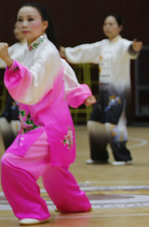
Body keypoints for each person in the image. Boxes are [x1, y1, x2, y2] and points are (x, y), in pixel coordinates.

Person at [0, 3, 94, 226]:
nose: (24, 24)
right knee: (53, 169)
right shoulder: (28, 50)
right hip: (41, 125)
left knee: (11, 163)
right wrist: (80, 94)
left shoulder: (46, 52)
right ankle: (74, 204)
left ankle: (33, 211)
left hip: (47, 127)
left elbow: (34, 85)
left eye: (31, 19)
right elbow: (63, 72)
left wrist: (11, 64)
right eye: (20, 19)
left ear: (45, 24)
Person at [60, 14, 142, 165]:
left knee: (114, 124)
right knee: (94, 123)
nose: (108, 27)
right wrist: (67, 52)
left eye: (111, 24)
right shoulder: (102, 45)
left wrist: (134, 49)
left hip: (118, 92)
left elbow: (131, 51)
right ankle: (99, 156)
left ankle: (123, 157)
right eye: (105, 24)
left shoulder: (124, 44)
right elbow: (86, 50)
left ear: (120, 27)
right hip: (103, 91)